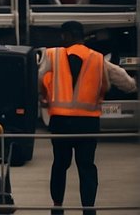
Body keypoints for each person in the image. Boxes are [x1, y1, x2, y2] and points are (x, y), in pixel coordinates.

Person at [39, 21, 136, 215]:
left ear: (66, 36)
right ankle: (88, 210)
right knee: (86, 167)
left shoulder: (52, 55)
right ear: (82, 36)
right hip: (87, 123)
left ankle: (57, 208)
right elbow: (124, 80)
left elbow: (37, 77)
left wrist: (42, 97)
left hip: (61, 122)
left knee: (60, 165)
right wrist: (133, 86)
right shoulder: (97, 59)